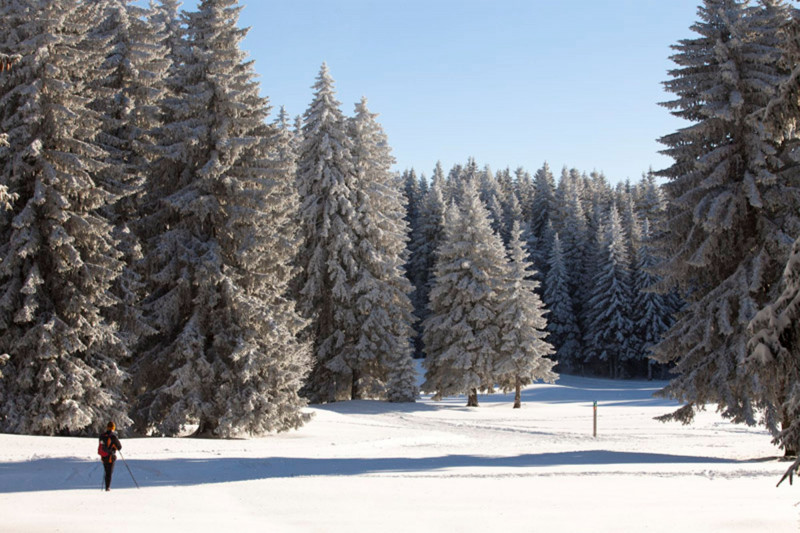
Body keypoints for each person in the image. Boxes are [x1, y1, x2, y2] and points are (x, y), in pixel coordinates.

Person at [99, 421, 122, 491]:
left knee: (106, 471)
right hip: (110, 457)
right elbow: (119, 447)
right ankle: (107, 487)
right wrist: (114, 447)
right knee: (109, 472)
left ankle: (107, 486)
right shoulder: (113, 436)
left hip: (103, 456)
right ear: (113, 428)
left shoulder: (102, 436)